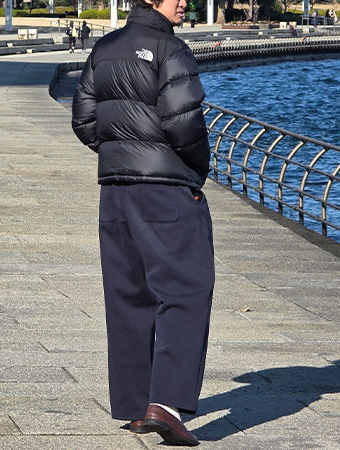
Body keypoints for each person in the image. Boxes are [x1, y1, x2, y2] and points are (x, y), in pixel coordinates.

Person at [71, 0, 215, 445]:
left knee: (128, 294)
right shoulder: (171, 49)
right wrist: (195, 168)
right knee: (186, 289)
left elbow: (84, 118)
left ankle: (137, 405)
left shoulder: (105, 48)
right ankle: (166, 405)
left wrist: (121, 151)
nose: (185, 2)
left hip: (116, 189)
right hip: (165, 189)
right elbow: (184, 121)